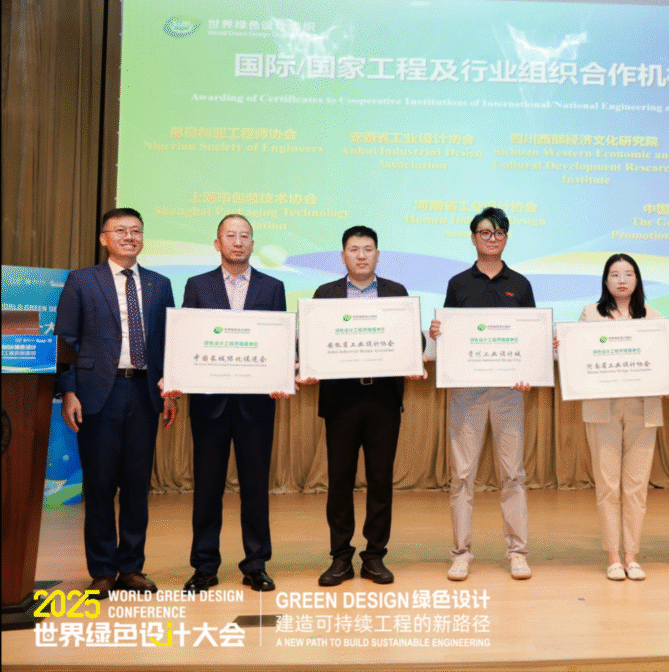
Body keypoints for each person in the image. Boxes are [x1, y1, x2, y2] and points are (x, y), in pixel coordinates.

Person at [55, 208, 177, 599]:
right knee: (100, 484)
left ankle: (132, 568)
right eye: (120, 230)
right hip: (97, 394)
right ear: (104, 238)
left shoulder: (160, 284)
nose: (129, 236)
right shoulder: (82, 280)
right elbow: (66, 340)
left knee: (137, 485)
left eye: (136, 230)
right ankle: (103, 570)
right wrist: (68, 391)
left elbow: (169, 341)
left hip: (144, 392)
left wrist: (170, 389)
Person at [167, 214, 288, 593]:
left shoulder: (273, 287)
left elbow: (280, 341)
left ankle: (256, 564)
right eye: (230, 236)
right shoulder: (198, 285)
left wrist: (281, 376)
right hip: (209, 405)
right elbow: (186, 338)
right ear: (217, 243)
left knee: (255, 488)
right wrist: (176, 377)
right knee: (207, 488)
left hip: (257, 405)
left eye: (245, 236)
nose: (238, 242)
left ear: (253, 243)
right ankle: (204, 566)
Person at [299, 226, 425, 587]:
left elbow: (413, 339)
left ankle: (374, 556)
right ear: (343, 256)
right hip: (341, 399)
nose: (361, 255)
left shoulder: (395, 293)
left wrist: (411, 354)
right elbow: (308, 341)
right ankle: (340, 557)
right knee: (339, 479)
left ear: (377, 255)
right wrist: (308, 363)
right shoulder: (325, 294)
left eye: (368, 249)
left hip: (383, 398)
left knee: (380, 479)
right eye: (354, 249)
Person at [429, 207, 534, 581]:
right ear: (473, 237)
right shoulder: (458, 283)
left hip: (508, 393)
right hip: (467, 391)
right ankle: (461, 553)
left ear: (506, 238)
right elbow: (450, 336)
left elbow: (530, 336)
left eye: (499, 233)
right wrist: (438, 332)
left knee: (513, 474)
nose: (492, 238)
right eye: (485, 232)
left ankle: (517, 552)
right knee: (462, 475)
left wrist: (534, 364)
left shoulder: (520, 284)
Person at [580, 254, 665, 581]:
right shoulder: (590, 314)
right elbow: (578, 356)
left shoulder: (653, 316)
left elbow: (661, 361)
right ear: (605, 281)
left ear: (637, 279)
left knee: (636, 486)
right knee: (607, 484)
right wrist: (563, 346)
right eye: (614, 274)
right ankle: (613, 557)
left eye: (628, 274)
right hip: (602, 407)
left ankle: (632, 556)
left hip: (643, 407)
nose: (621, 280)